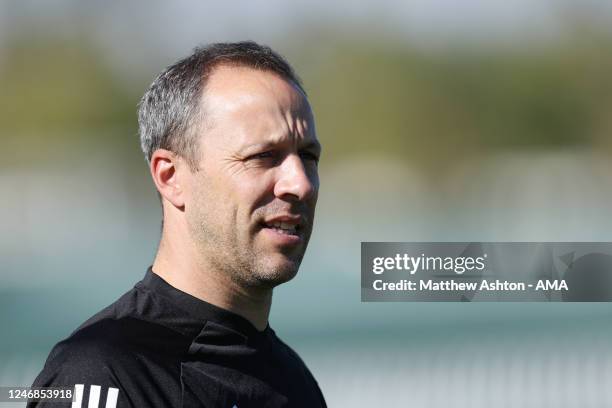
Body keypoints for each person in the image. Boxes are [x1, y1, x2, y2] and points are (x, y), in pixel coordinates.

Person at [27, 41, 326, 408]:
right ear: (170, 176)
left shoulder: (293, 380)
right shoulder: (100, 376)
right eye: (263, 156)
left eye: (308, 156)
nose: (300, 184)